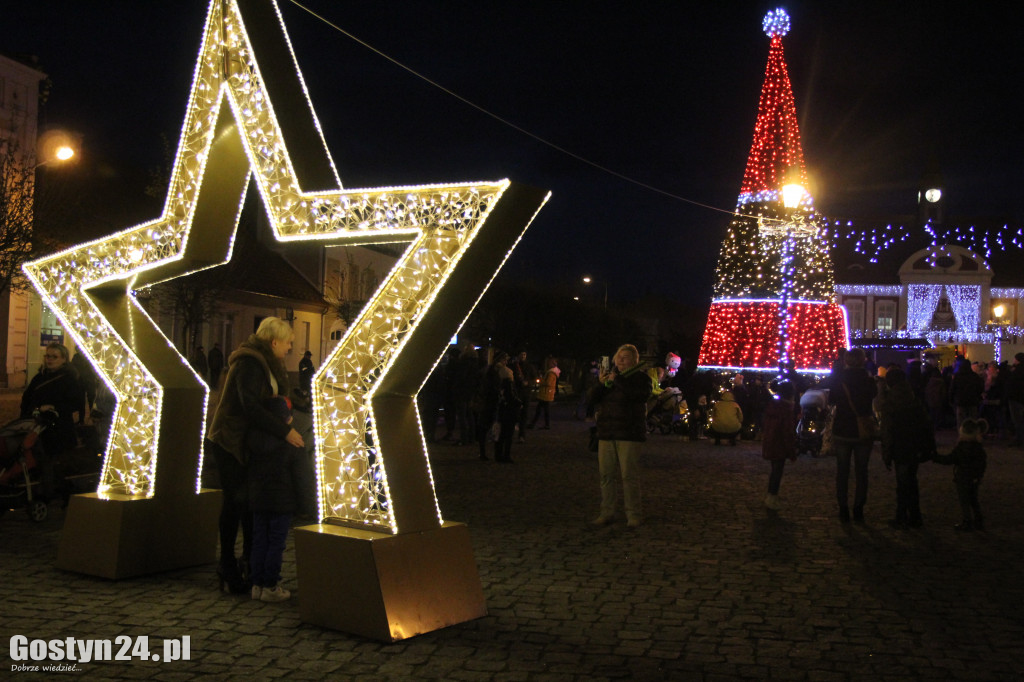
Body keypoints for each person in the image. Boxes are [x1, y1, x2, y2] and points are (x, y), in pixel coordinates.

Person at [206, 317, 304, 595]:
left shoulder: (265, 363)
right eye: (288, 343)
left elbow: (269, 401)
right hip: (230, 442)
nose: (290, 347)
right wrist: (285, 432)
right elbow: (250, 406)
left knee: (248, 503)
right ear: (274, 342)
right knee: (235, 502)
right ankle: (228, 564)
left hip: (246, 442)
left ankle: (249, 563)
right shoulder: (250, 363)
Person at [247, 396, 310, 602]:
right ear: (287, 418)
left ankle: (256, 584)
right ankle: (271, 586)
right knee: (276, 543)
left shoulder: (253, 441)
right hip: (282, 502)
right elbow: (301, 478)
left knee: (259, 541)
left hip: (258, 499)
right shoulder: (294, 443)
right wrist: (307, 506)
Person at [589, 344, 652, 528]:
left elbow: (639, 396)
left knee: (628, 476)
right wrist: (600, 384)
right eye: (619, 357)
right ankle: (606, 512)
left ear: (635, 361)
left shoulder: (641, 378)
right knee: (606, 475)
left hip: (628, 433)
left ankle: (633, 514)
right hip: (607, 432)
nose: (621, 360)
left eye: (625, 357)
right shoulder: (609, 378)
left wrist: (617, 381)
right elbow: (591, 399)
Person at [20, 342, 84, 499]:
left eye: (54, 357)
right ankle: (42, 490)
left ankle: (51, 494)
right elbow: (27, 398)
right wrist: (31, 412)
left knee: (52, 461)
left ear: (63, 359)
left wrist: (54, 408)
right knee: (37, 459)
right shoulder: (39, 377)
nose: (49, 359)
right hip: (37, 426)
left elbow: (76, 402)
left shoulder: (69, 378)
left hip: (58, 428)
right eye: (47, 356)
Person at [878, 368, 936, 529]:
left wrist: (886, 453)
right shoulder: (913, 397)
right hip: (914, 444)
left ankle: (902, 515)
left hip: (900, 445)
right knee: (911, 480)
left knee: (903, 483)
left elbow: (887, 430)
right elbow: (926, 423)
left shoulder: (890, 402)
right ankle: (914, 515)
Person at [828, 347, 877, 524]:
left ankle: (843, 508)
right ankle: (858, 508)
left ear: (846, 361)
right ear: (863, 360)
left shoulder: (839, 379)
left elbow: (831, 400)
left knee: (842, 470)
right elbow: (873, 397)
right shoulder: (868, 380)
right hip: (863, 429)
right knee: (861, 471)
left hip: (843, 428)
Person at [932, 418, 988, 531]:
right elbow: (982, 464)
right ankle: (978, 521)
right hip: (974, 479)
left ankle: (967, 522)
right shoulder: (978, 447)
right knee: (973, 499)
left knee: (964, 501)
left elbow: (949, 459)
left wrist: (935, 457)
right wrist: (978, 476)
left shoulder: (962, 448)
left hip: (963, 478)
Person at [476, 351, 520, 462]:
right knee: (490, 428)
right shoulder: (496, 372)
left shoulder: (492, 371)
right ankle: (486, 453)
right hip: (492, 403)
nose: (506, 362)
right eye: (504, 359)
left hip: (492, 403)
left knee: (491, 428)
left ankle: (487, 453)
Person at [761, 382, 797, 510]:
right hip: (780, 443)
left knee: (774, 470)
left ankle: (771, 496)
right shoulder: (786, 410)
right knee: (777, 471)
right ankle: (772, 496)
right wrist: (792, 451)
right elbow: (787, 431)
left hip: (771, 441)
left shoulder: (773, 406)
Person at [530, 356, 560, 429]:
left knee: (540, 410)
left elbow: (548, 383)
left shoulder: (551, 373)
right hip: (547, 393)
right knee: (544, 410)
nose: (548, 364)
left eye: (549, 363)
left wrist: (541, 381)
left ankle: (534, 424)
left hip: (545, 393)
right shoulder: (553, 372)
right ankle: (545, 424)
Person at [1006, 352, 1024, 446]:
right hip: (1021, 398)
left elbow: (1011, 385)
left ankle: (1019, 438)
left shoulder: (1016, 372)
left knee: (1017, 420)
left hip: (1015, 398)